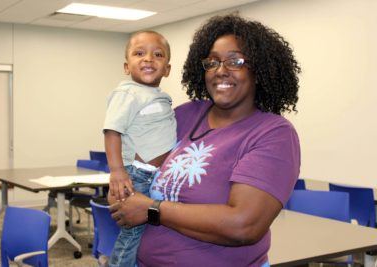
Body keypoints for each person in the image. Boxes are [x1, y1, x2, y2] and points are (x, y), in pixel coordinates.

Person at [109, 14, 301, 267]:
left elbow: (244, 225)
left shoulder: (273, 133)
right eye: (212, 62)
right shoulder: (184, 115)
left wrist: (152, 209)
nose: (221, 71)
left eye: (235, 61)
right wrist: (124, 191)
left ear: (259, 70)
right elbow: (139, 167)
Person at [102, 31, 176, 267]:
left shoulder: (159, 96)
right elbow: (112, 131)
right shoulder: (128, 93)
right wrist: (117, 171)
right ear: (127, 66)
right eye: (139, 53)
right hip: (137, 174)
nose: (148, 59)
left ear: (167, 69)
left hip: (156, 176)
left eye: (157, 55)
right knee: (133, 232)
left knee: (150, 232)